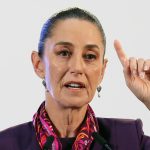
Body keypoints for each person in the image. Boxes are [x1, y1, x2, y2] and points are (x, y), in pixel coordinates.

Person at [0, 7, 150, 150]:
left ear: (102, 71)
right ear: (39, 64)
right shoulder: (5, 143)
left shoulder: (129, 138)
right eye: (64, 53)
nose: (77, 67)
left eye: (90, 56)